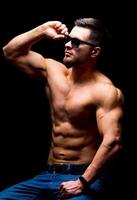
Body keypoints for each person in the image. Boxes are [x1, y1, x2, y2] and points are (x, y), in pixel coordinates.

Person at [1, 17, 124, 199]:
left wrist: (82, 182)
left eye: (76, 43)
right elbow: (10, 52)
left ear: (94, 52)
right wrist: (42, 29)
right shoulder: (53, 72)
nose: (67, 45)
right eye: (69, 39)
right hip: (47, 175)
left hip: (82, 176)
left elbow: (113, 142)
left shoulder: (105, 91)